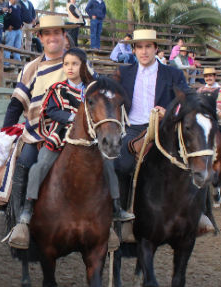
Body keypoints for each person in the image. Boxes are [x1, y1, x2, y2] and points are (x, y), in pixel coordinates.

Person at [7, 48, 135, 248]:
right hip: (60, 136)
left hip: (89, 138)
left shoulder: (93, 90)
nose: (70, 68)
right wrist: (73, 119)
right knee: (39, 166)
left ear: (83, 67)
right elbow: (50, 111)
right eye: (66, 64)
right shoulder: (57, 88)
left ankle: (114, 210)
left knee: (109, 166)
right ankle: (26, 213)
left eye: (74, 64)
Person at [0, 16, 82, 249]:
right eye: (47, 33)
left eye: (57, 32)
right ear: (40, 38)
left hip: (76, 133)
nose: (52, 37)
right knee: (25, 162)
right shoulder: (31, 68)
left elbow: (94, 91)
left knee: (105, 160)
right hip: (39, 133)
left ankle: (107, 221)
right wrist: (6, 133)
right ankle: (21, 221)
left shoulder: (78, 63)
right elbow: (16, 103)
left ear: (64, 36)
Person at [113, 29, 214, 234]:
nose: (144, 51)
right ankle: (122, 213)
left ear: (155, 48)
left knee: (193, 154)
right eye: (139, 47)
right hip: (134, 128)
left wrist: (167, 111)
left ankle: (202, 213)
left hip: (166, 127)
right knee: (121, 164)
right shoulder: (124, 73)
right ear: (133, 50)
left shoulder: (173, 73)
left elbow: (188, 100)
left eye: (148, 46)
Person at [197, 67, 221, 167]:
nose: (208, 78)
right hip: (204, 119)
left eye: (210, 76)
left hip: (219, 118)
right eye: (206, 76)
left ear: (215, 77)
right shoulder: (200, 90)